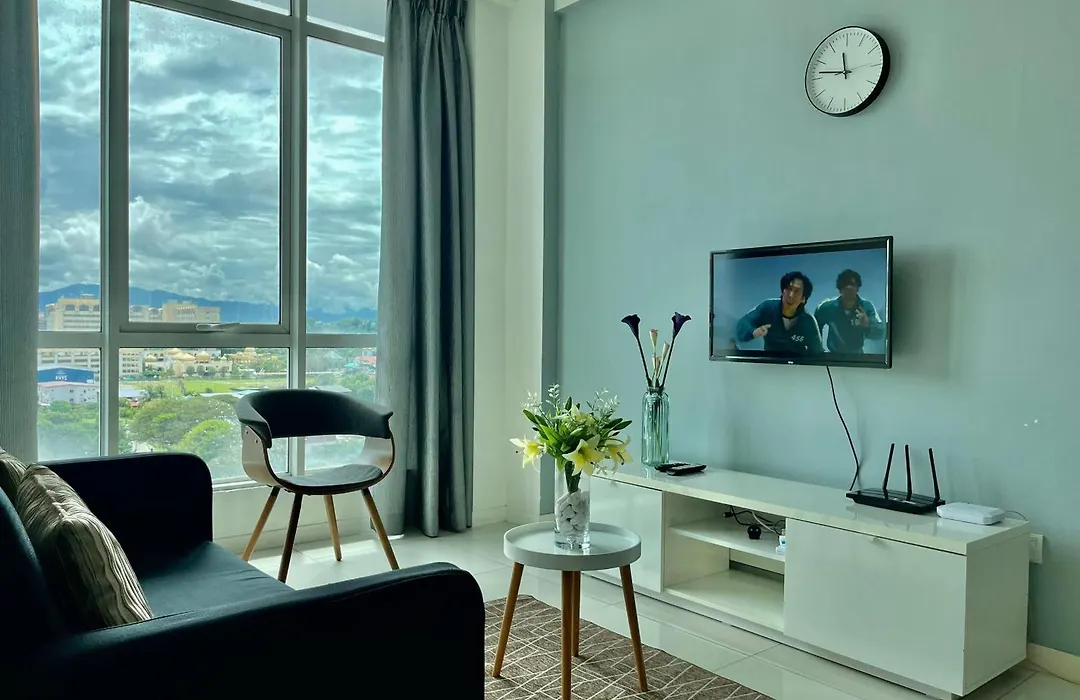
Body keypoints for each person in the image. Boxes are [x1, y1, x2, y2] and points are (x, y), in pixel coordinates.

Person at [734, 271, 824, 355]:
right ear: (783, 291)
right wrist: (753, 332)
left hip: (797, 365)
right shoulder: (767, 308)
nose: (791, 295)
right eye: (788, 289)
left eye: (796, 291)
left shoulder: (809, 321)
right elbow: (742, 325)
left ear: (803, 299)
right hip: (769, 362)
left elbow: (817, 353)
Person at [814, 269, 884, 353]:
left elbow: (880, 333)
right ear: (840, 289)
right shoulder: (827, 308)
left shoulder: (866, 306)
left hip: (858, 357)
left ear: (858, 288)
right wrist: (817, 350)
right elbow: (814, 329)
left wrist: (867, 324)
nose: (849, 287)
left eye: (852, 284)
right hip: (833, 356)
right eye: (845, 284)